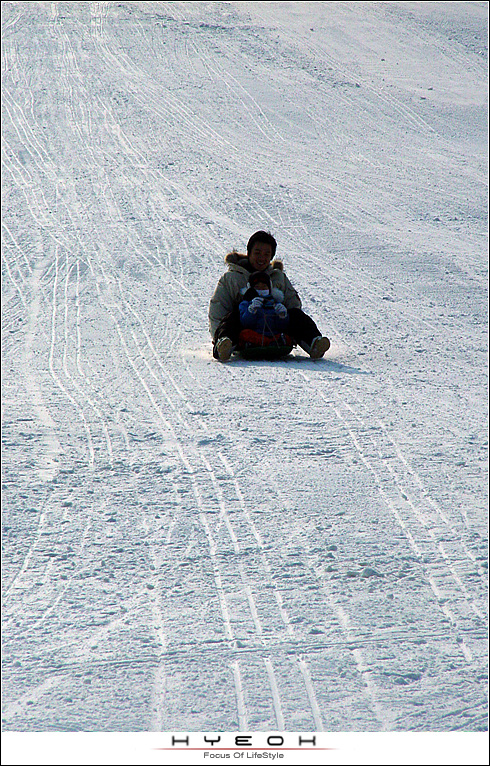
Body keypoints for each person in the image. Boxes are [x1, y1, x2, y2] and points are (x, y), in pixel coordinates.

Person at [209, 230, 330, 361]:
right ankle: (224, 345)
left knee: (296, 315)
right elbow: (218, 308)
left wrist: (284, 315)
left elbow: (293, 305)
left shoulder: (278, 277)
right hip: (244, 331)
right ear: (248, 253)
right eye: (257, 253)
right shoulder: (232, 278)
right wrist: (218, 335)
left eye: (267, 254)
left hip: (275, 327)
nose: (262, 258)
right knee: (233, 316)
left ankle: (314, 343)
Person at [238, 271, 290, 339]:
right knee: (244, 333)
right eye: (257, 287)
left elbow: (281, 327)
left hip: (274, 336)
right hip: (255, 336)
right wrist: (251, 312)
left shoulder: (275, 303)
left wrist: (282, 316)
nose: (261, 290)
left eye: (264, 287)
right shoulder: (246, 304)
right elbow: (246, 324)